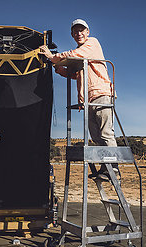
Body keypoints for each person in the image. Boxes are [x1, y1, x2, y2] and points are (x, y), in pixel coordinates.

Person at [39, 18, 119, 179]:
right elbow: (75, 74)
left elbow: (72, 55)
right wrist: (59, 68)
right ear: (72, 34)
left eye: (81, 30)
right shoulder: (82, 56)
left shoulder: (92, 44)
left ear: (87, 32)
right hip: (88, 98)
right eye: (75, 31)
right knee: (96, 136)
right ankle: (105, 169)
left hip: (102, 94)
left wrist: (52, 57)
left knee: (105, 133)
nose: (79, 33)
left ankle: (114, 170)